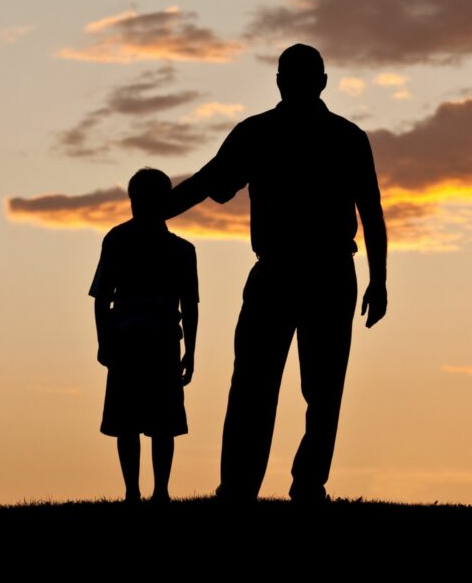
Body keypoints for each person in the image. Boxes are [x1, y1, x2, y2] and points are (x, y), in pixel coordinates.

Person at [165, 43, 387, 505]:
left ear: (287, 81)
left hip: (309, 273)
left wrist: (379, 279)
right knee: (273, 384)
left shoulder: (278, 133)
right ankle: (266, 486)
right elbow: (212, 181)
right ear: (317, 81)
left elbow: (371, 210)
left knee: (287, 385)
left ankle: (281, 485)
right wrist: (158, 213)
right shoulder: (323, 135)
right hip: (302, 273)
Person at [90, 167, 199, 503]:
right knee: (147, 422)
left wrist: (104, 340)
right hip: (147, 343)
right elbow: (103, 296)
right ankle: (145, 492)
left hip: (147, 342)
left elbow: (101, 298)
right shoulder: (175, 248)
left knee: (142, 422)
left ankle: (145, 492)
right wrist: (190, 352)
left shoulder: (123, 240)